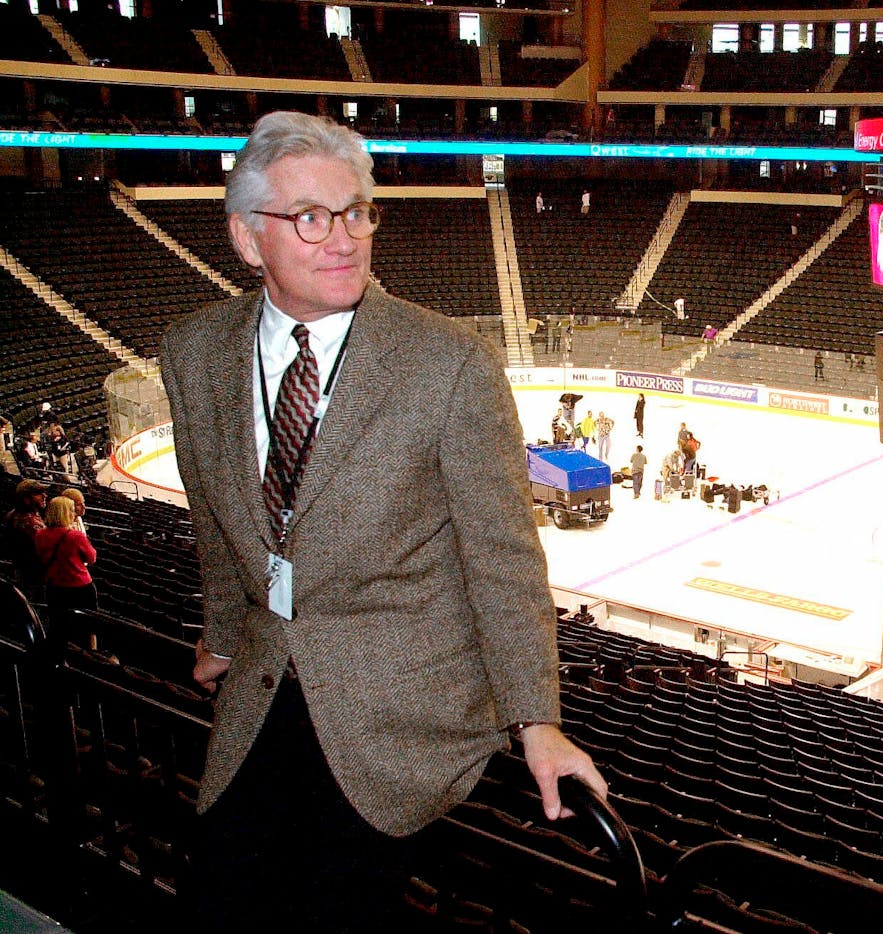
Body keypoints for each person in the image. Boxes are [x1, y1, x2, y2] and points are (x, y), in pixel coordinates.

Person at [158, 111, 604, 933]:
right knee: (215, 901)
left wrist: (537, 719)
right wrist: (223, 633)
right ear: (248, 240)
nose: (345, 239)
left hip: (399, 712)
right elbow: (217, 526)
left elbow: (503, 559)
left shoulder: (448, 363)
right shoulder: (192, 354)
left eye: (358, 211)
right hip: (263, 684)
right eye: (312, 218)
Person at [34, 495, 97, 636]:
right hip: (80, 587)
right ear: (66, 513)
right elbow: (92, 557)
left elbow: (41, 556)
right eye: (72, 510)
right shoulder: (75, 536)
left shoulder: (39, 534)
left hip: (54, 585)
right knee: (88, 624)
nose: (74, 513)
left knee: (58, 623)